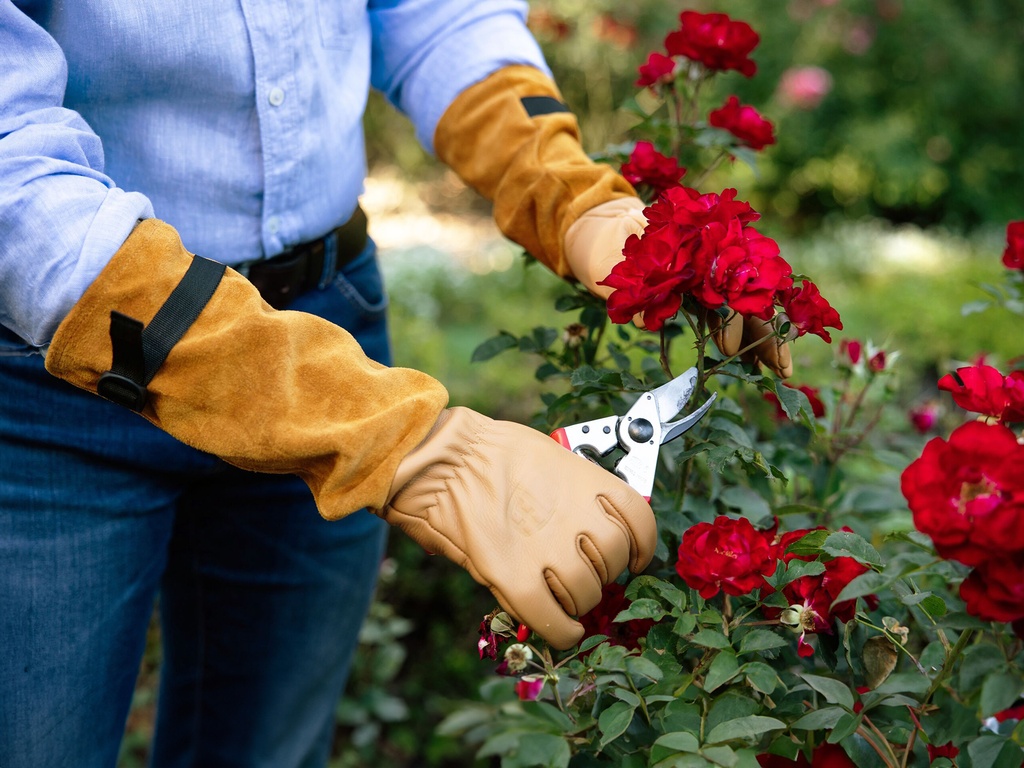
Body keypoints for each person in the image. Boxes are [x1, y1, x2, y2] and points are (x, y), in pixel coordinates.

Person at [0, 2, 784, 765]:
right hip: (53, 379)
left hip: (324, 316)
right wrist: (399, 441)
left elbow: (437, 13)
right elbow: (14, 179)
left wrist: (575, 201)